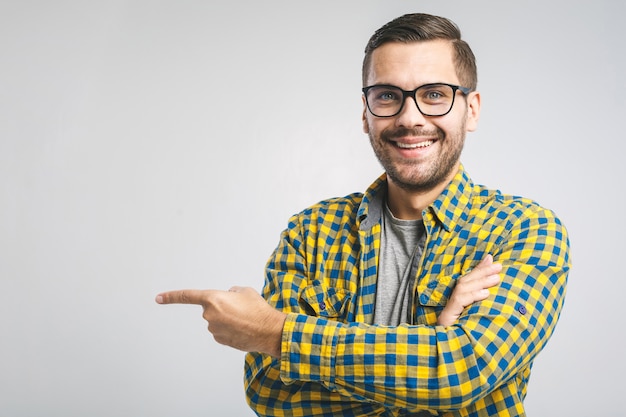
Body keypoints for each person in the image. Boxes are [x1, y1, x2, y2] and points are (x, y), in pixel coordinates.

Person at [156, 13, 570, 417]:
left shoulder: (525, 230)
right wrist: (436, 346)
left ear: (471, 109)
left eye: (434, 94)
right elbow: (272, 394)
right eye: (388, 95)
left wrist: (276, 333)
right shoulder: (310, 232)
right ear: (365, 112)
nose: (410, 117)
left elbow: (462, 372)